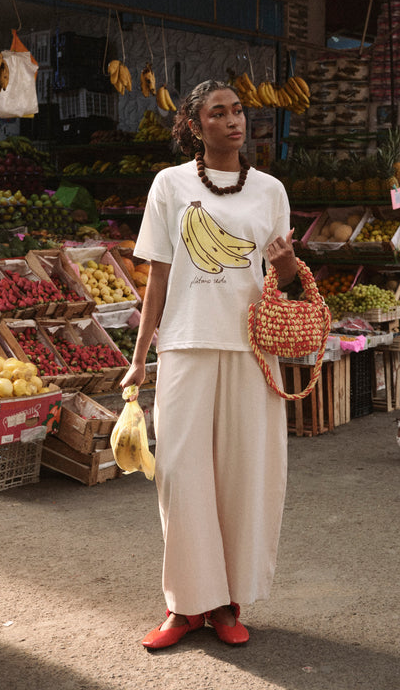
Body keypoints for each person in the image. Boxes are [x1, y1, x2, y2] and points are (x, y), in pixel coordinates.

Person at [120, 79, 297, 649]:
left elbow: (284, 284)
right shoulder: (169, 185)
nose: (233, 120)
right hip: (186, 344)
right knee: (180, 476)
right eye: (218, 113)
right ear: (195, 126)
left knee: (246, 478)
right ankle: (184, 606)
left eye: (238, 110)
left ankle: (227, 604)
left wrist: (290, 265)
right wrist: (140, 357)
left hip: (252, 350)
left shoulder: (270, 190)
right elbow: (159, 278)